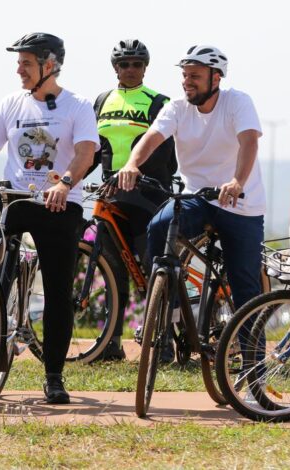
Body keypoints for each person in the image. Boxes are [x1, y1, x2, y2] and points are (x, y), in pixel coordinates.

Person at [0, 33, 99, 404]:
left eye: (26, 63)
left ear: (50, 66)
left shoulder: (77, 106)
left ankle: (54, 376)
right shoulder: (11, 103)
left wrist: (64, 183)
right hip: (13, 199)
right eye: (19, 63)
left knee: (59, 291)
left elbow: (85, 153)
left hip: (57, 204)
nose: (19, 69)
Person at [118, 45, 265, 319]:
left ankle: (251, 360)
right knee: (159, 227)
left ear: (216, 77)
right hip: (196, 197)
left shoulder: (238, 102)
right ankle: (167, 312)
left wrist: (237, 181)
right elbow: (152, 137)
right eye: (185, 75)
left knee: (245, 286)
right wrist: (131, 164)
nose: (187, 81)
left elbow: (249, 143)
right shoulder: (177, 107)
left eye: (195, 76)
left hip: (240, 202)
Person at [89, 39, 177, 361]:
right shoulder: (101, 101)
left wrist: (141, 175)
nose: (130, 69)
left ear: (145, 67)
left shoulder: (159, 101)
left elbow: (166, 154)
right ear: (115, 68)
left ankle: (163, 340)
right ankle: (110, 344)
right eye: (124, 64)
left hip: (147, 195)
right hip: (111, 195)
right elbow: (93, 149)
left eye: (136, 64)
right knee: (112, 269)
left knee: (154, 268)